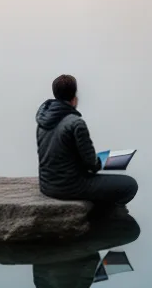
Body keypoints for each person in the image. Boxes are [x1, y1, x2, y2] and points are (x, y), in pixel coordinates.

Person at [36, 74, 138, 208]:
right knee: (130, 184)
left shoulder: (43, 121)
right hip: (70, 187)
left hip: (47, 185)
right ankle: (107, 219)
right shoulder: (76, 123)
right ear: (74, 98)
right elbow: (91, 164)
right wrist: (106, 160)